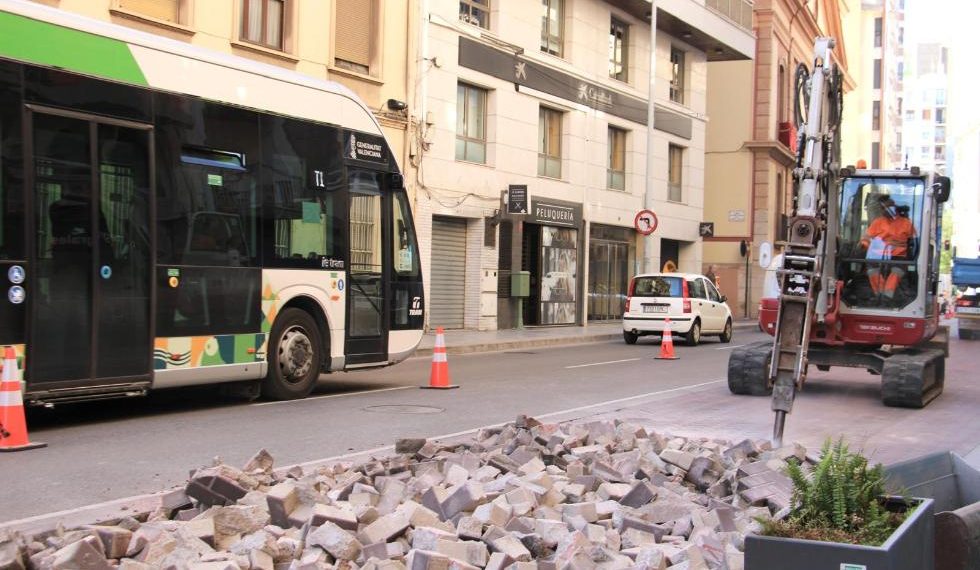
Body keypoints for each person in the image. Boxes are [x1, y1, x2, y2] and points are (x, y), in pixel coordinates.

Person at [860, 194, 916, 303]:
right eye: (884, 208)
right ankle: (879, 295)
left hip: (898, 257)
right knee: (872, 271)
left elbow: (914, 241)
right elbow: (866, 238)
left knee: (896, 272)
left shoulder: (906, 223)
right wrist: (864, 245)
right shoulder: (878, 222)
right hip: (877, 256)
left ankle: (887, 296)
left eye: (889, 207)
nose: (886, 210)